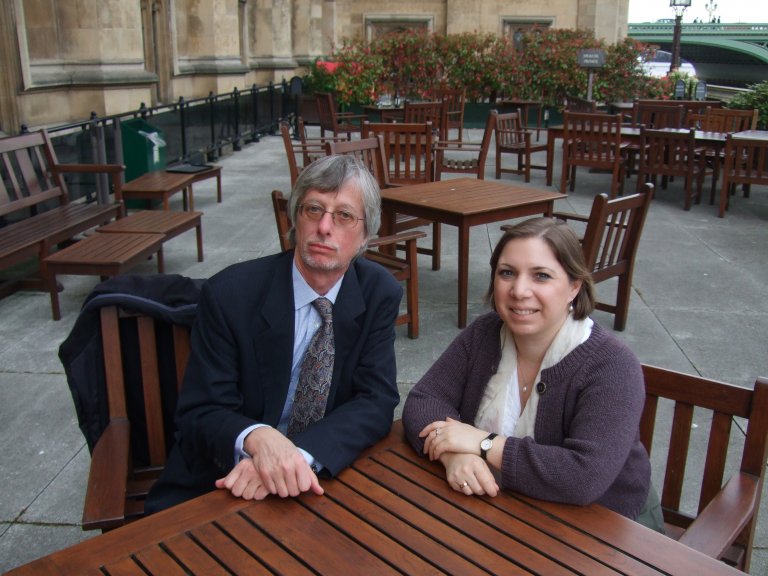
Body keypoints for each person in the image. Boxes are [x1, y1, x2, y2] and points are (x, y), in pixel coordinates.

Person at [147, 155, 402, 512]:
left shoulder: (379, 293)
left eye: (344, 216)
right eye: (313, 209)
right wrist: (257, 437)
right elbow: (200, 411)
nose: (325, 227)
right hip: (220, 481)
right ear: (295, 219)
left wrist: (294, 456)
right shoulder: (230, 294)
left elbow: (376, 400)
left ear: (364, 235)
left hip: (316, 476)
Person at [402, 217, 664, 532]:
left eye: (541, 276)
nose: (519, 290)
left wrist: (483, 444)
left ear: (574, 287)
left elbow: (583, 478)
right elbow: (423, 400)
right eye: (507, 273)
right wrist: (454, 455)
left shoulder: (612, 365)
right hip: (510, 514)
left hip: (609, 528)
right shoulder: (484, 334)